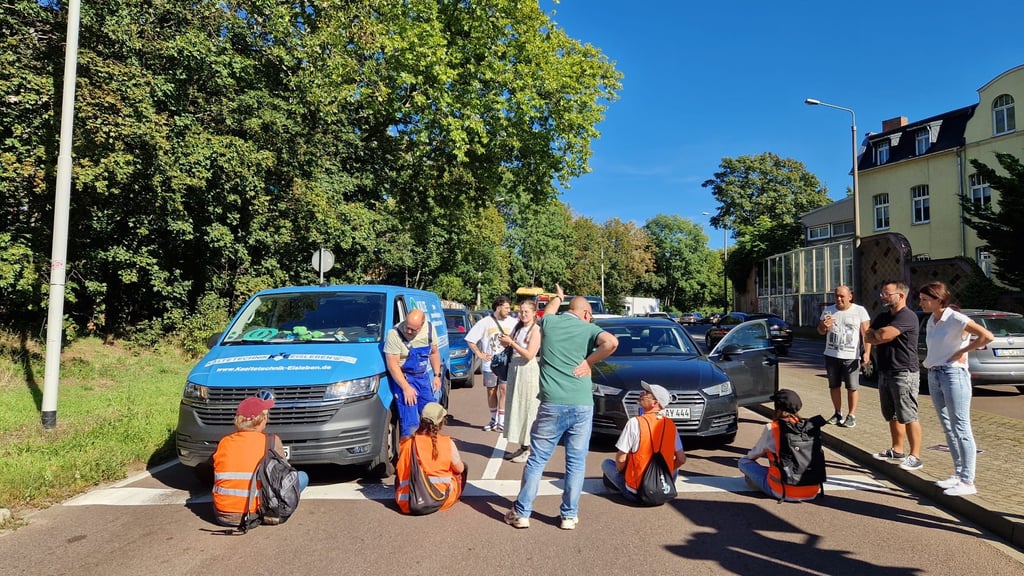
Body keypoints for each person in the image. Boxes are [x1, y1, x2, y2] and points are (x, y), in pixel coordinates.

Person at [505, 284, 619, 530]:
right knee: (576, 462)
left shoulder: (549, 323)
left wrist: (558, 297)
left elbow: (549, 309)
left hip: (551, 403)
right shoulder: (589, 328)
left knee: (537, 460)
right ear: (587, 313)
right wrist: (589, 362)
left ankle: (522, 512)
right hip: (581, 404)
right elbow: (611, 343)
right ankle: (569, 515)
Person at [918, 282, 993, 496]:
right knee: (948, 427)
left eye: (925, 299)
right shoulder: (932, 320)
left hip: (953, 374)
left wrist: (963, 350)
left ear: (938, 300)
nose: (921, 302)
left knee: (961, 427)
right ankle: (959, 474)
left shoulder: (956, 318)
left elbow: (986, 336)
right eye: (921, 299)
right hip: (934, 374)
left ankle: (968, 481)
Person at [212, 395, 309, 527]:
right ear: (262, 420)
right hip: (257, 513)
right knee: (302, 477)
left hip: (223, 515)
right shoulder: (271, 440)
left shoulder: (224, 442)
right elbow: (285, 476)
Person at [864, 280, 924, 471]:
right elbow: (868, 335)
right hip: (885, 370)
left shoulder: (908, 316)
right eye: (882, 293)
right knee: (891, 414)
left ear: (901, 295)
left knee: (908, 414)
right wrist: (877, 334)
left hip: (904, 372)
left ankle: (915, 456)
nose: (883, 296)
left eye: (887, 294)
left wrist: (878, 334)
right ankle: (897, 449)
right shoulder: (883, 316)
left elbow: (882, 336)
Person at [600, 382, 686, 503]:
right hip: (662, 492)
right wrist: (665, 472)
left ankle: (621, 486)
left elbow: (621, 458)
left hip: (637, 493)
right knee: (673, 467)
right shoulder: (671, 425)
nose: (641, 394)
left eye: (646, 394)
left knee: (607, 464)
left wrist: (622, 472)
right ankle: (663, 485)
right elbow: (681, 459)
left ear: (655, 403)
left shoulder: (635, 422)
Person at [738, 389, 824, 502]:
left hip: (782, 490)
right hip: (812, 491)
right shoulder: (810, 427)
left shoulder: (773, 428)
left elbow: (754, 455)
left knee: (743, 462)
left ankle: (757, 483)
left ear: (778, 408)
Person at [394, 402, 467, 513]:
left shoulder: (407, 443)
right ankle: (454, 497)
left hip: (406, 501)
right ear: (441, 422)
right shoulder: (446, 443)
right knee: (461, 468)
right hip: (439, 499)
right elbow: (460, 469)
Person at [817, 285, 871, 428]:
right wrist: (824, 325)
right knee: (834, 386)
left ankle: (851, 415)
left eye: (842, 296)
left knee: (852, 387)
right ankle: (837, 413)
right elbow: (821, 331)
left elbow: (866, 334)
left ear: (850, 296)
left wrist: (867, 352)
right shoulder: (828, 311)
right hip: (831, 354)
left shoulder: (859, 311)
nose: (839, 299)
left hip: (851, 356)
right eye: (836, 296)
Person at [384, 309, 443, 438]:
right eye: (407, 327)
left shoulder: (429, 329)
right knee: (411, 424)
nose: (408, 331)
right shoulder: (394, 334)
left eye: (413, 329)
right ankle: (410, 454)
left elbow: (434, 353)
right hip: (404, 379)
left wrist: (437, 375)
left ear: (422, 325)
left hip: (423, 378)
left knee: (432, 416)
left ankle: (431, 449)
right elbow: (392, 365)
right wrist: (406, 388)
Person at [499, 299, 542, 463]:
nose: (523, 314)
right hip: (515, 370)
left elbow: (530, 354)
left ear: (533, 313)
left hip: (527, 371)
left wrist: (512, 343)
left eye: (526, 312)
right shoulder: (518, 328)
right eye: (521, 311)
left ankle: (529, 448)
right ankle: (522, 446)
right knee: (516, 407)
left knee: (527, 408)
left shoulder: (536, 330)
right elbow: (509, 345)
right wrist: (504, 341)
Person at [466, 296, 517, 432]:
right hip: (490, 364)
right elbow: (471, 339)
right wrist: (480, 354)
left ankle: (502, 421)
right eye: (506, 308)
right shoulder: (485, 322)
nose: (509, 310)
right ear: (498, 307)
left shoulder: (513, 322)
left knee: (504, 390)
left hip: (507, 363)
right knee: (491, 391)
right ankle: (493, 419)